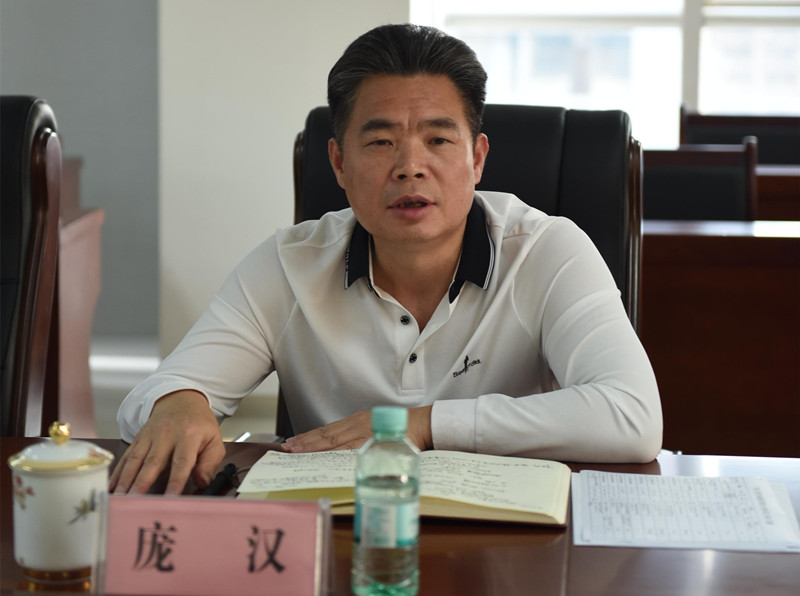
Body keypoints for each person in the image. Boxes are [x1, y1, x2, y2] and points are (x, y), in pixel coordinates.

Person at [110, 23, 662, 496]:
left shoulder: (548, 250)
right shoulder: (288, 264)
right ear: (338, 163)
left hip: (511, 543)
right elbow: (149, 399)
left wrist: (421, 425)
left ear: (477, 159)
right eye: (380, 143)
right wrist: (180, 400)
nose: (410, 167)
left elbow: (632, 415)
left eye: (438, 140)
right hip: (340, 540)